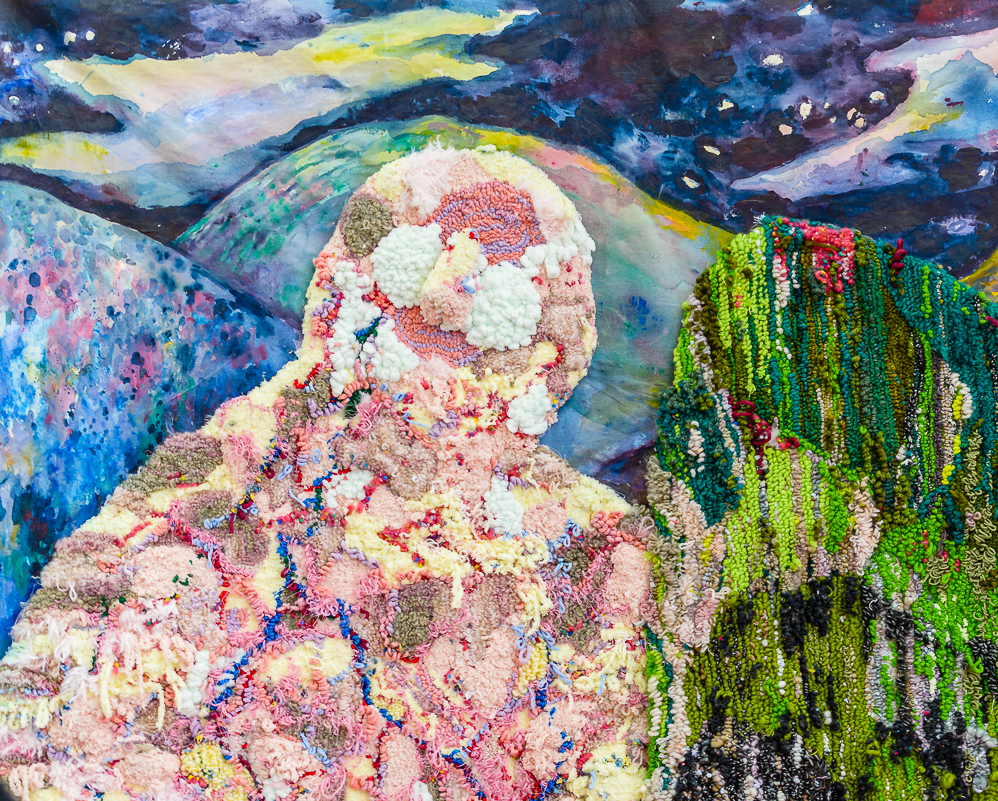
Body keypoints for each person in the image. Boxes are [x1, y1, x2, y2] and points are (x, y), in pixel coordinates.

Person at [0, 143, 652, 801]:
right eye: (419, 271)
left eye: (489, 283)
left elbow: (603, 743)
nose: (443, 297)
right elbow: (70, 652)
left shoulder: (587, 542)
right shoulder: (259, 444)